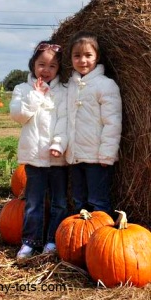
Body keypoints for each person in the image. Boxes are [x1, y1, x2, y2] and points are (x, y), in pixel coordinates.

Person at [9, 40, 68, 260]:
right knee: (33, 203)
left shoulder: (63, 91)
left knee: (59, 203)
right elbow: (19, 116)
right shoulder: (22, 90)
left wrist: (59, 144)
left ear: (59, 69)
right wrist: (36, 95)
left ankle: (52, 240)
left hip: (57, 158)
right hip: (34, 157)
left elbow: (66, 120)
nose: (46, 70)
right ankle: (30, 242)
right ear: (33, 63)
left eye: (52, 66)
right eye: (42, 64)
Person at [65, 30, 122, 215]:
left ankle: (99, 237)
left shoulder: (105, 85)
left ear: (97, 57)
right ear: (71, 59)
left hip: (97, 158)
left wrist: (107, 154)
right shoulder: (70, 85)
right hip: (75, 157)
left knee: (98, 201)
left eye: (88, 55)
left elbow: (112, 122)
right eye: (77, 56)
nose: (83, 60)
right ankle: (81, 241)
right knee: (78, 200)